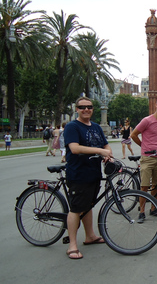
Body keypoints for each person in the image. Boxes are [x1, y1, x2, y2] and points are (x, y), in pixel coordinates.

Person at [63, 97, 113, 259]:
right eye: (82, 107)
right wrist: (99, 152)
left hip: (94, 173)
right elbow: (75, 148)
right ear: (76, 109)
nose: (86, 109)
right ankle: (72, 245)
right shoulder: (72, 126)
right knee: (76, 209)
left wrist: (107, 153)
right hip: (78, 174)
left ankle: (90, 236)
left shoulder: (97, 127)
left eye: (89, 107)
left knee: (89, 205)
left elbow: (105, 145)